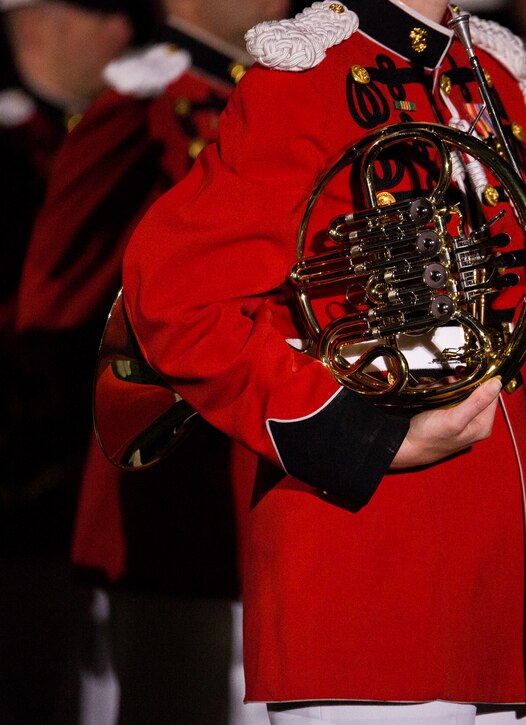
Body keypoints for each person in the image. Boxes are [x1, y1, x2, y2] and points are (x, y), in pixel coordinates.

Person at [119, 1, 526, 723]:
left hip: (500, 598)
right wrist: (361, 432)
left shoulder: (492, 81)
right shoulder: (306, 75)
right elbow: (177, 299)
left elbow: (504, 358)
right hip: (365, 577)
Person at [15, 2, 289, 723]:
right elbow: (59, 295)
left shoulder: (261, 92)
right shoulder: (145, 98)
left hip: (269, 468)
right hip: (175, 482)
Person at [0, 1, 143, 723]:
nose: (123, 31)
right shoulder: (16, 152)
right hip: (24, 489)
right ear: (35, 23)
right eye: (100, 12)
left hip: (82, 488)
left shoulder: (92, 131)